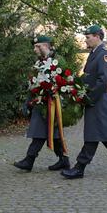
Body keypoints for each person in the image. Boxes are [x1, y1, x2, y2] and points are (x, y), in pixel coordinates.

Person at [61, 25, 107, 179]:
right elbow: (90, 77)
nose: (85, 40)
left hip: (98, 100)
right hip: (96, 100)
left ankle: (79, 167)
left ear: (97, 36)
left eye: (88, 37)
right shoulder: (95, 53)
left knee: (93, 134)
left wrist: (89, 98)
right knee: (105, 134)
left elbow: (104, 80)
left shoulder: (104, 54)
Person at [14, 36, 71, 172]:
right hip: (40, 101)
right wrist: (29, 101)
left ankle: (29, 160)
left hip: (53, 102)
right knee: (51, 132)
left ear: (46, 46)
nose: (35, 49)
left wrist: (54, 90)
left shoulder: (58, 61)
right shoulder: (39, 63)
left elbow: (67, 80)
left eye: (37, 46)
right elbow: (34, 83)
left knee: (41, 131)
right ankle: (64, 160)